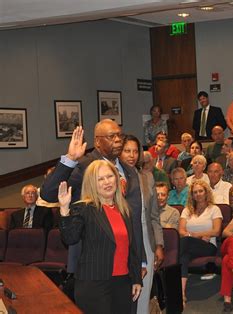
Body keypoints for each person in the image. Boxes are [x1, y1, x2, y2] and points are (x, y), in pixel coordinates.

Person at [40, 122, 146, 279]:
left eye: (120, 135)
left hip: (126, 266)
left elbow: (134, 222)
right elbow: (48, 193)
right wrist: (70, 158)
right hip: (93, 268)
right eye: (111, 136)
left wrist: (140, 261)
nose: (118, 140)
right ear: (97, 142)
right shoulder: (84, 166)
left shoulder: (130, 170)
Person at [57, 160, 142, 313]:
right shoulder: (84, 208)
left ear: (116, 178)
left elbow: (132, 247)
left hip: (122, 282)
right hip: (94, 284)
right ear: (92, 184)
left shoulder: (124, 209)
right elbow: (70, 238)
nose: (107, 182)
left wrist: (136, 278)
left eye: (109, 176)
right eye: (100, 179)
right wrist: (64, 209)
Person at [120, 135, 164, 314]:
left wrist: (159, 245)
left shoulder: (147, 177)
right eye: (127, 151)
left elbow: (154, 216)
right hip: (123, 241)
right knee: (125, 294)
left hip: (147, 240)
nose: (131, 155)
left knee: (144, 293)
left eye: (135, 151)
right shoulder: (112, 178)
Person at [178, 180, 223, 304]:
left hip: (208, 246)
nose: (198, 194)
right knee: (183, 257)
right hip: (189, 246)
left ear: (206, 192)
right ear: (192, 195)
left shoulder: (214, 209)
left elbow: (216, 231)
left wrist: (196, 235)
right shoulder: (187, 210)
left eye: (200, 191)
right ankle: (181, 294)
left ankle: (168, 266)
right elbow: (181, 230)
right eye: (195, 192)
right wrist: (199, 236)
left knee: (185, 242)